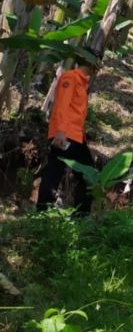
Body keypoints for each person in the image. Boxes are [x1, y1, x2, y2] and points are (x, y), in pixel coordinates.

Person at [36, 53, 100, 215]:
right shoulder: (70, 78)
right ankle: (42, 211)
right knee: (55, 171)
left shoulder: (81, 82)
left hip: (76, 136)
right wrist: (61, 131)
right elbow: (62, 106)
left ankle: (80, 214)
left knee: (88, 175)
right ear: (90, 64)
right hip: (65, 135)